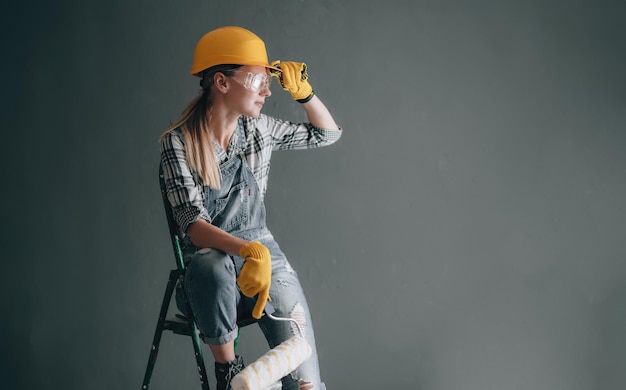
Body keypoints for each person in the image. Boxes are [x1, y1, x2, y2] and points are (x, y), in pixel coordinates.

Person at [159, 26, 341, 390]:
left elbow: (328, 133)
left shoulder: (260, 129)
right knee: (212, 263)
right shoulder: (177, 143)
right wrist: (247, 250)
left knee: (306, 384)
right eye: (257, 78)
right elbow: (193, 225)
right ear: (222, 82)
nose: (267, 90)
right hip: (210, 281)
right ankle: (228, 373)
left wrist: (304, 94)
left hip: (264, 260)